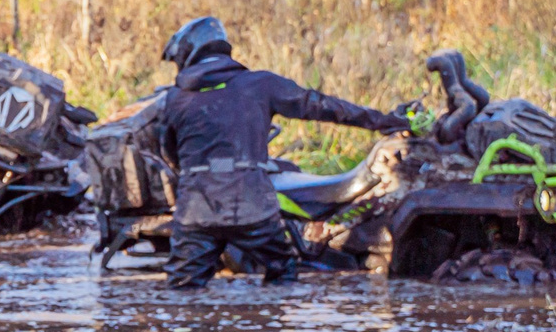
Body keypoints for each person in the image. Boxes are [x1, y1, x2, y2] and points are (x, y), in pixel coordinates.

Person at [154, 16, 409, 289]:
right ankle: (268, 327)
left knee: (182, 291)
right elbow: (324, 106)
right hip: (252, 206)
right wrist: (384, 121)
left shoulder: (174, 99)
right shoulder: (261, 84)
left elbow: (169, 153)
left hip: (197, 209)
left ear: (187, 56)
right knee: (282, 274)